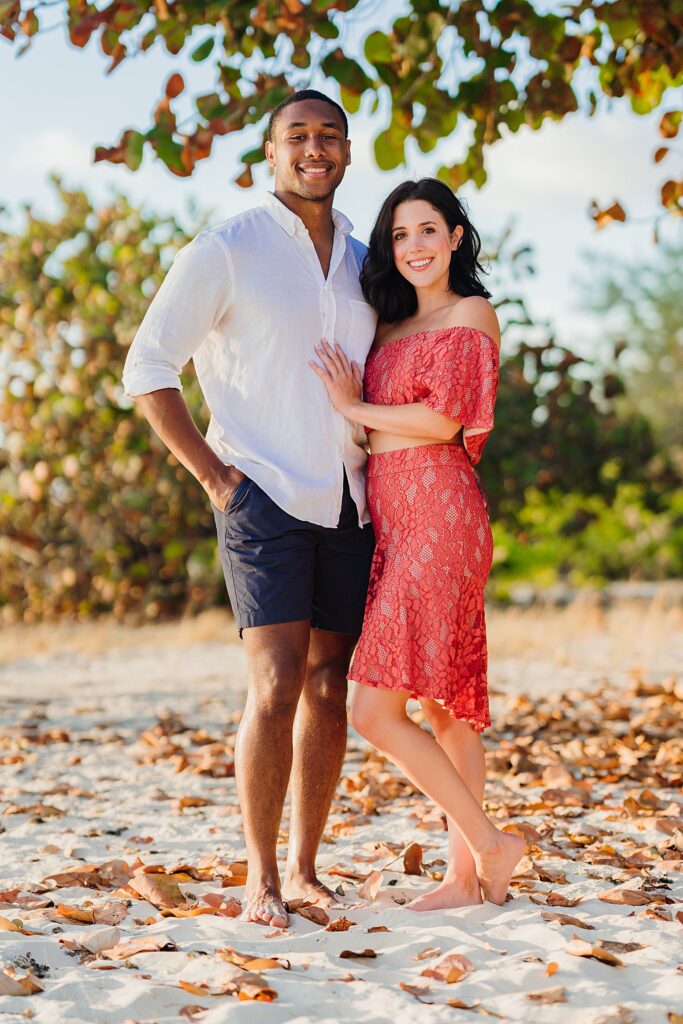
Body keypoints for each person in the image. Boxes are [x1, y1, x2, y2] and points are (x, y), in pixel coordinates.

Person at [122, 90, 377, 929]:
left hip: (348, 496)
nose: (314, 149)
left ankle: (305, 870)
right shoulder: (228, 247)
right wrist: (212, 476)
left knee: (329, 685)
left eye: (328, 136)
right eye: (296, 137)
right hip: (259, 490)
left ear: (346, 150)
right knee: (273, 686)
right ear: (269, 154)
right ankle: (260, 879)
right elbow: (149, 366)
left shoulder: (365, 259)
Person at [310, 177, 525, 909]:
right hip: (396, 523)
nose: (414, 247)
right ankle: (465, 878)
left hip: (441, 516)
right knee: (444, 711)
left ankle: (492, 845)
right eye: (399, 235)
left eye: (427, 230)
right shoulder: (389, 327)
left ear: (455, 237)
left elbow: (441, 424)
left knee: (373, 711)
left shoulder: (472, 312)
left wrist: (352, 407)